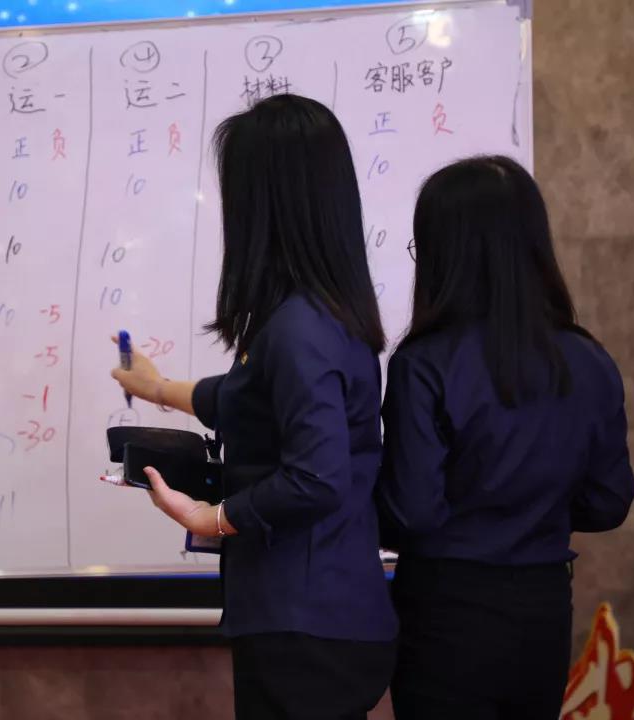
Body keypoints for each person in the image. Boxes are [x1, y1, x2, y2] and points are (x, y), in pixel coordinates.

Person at [109, 94, 397, 720]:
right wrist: (159, 388)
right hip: (320, 615)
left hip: (306, 624)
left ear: (267, 203)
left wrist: (212, 516)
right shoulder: (319, 316)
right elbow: (244, 397)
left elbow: (316, 477)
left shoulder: (299, 329)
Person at [376, 155, 634, 719]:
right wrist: (532, 512)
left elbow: (412, 512)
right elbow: (609, 501)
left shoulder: (424, 363)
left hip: (446, 614)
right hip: (544, 609)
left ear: (445, 254)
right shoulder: (590, 359)